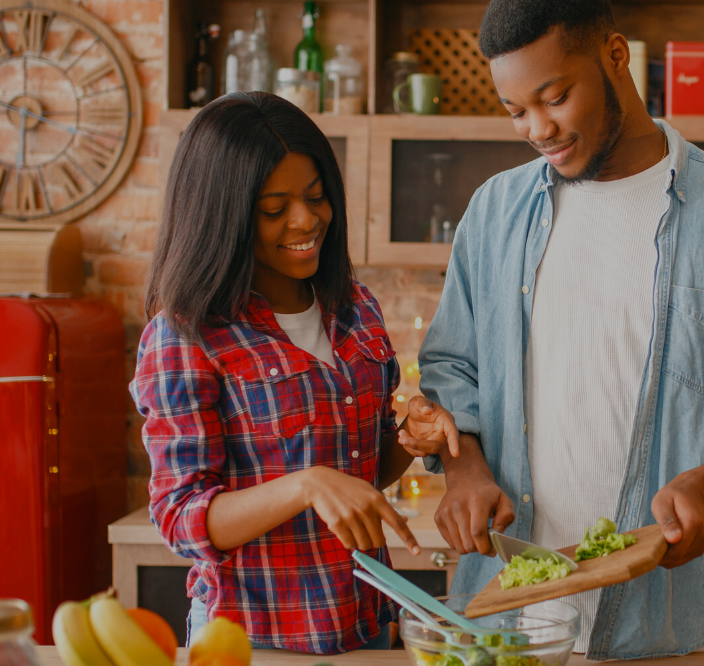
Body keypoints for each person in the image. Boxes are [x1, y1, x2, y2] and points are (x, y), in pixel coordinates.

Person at [402, 0, 704, 659]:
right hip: (505, 628)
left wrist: (702, 486)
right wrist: (464, 470)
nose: (537, 128)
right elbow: (452, 368)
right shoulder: (493, 212)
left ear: (614, 56)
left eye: (554, 97)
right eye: (516, 110)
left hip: (676, 627)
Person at [132, 92, 461, 654]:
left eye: (316, 197)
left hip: (362, 628)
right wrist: (305, 485)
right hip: (252, 642)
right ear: (223, 214)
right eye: (274, 208)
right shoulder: (187, 334)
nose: (307, 220)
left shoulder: (354, 308)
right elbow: (180, 519)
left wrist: (409, 437)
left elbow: (358, 474)